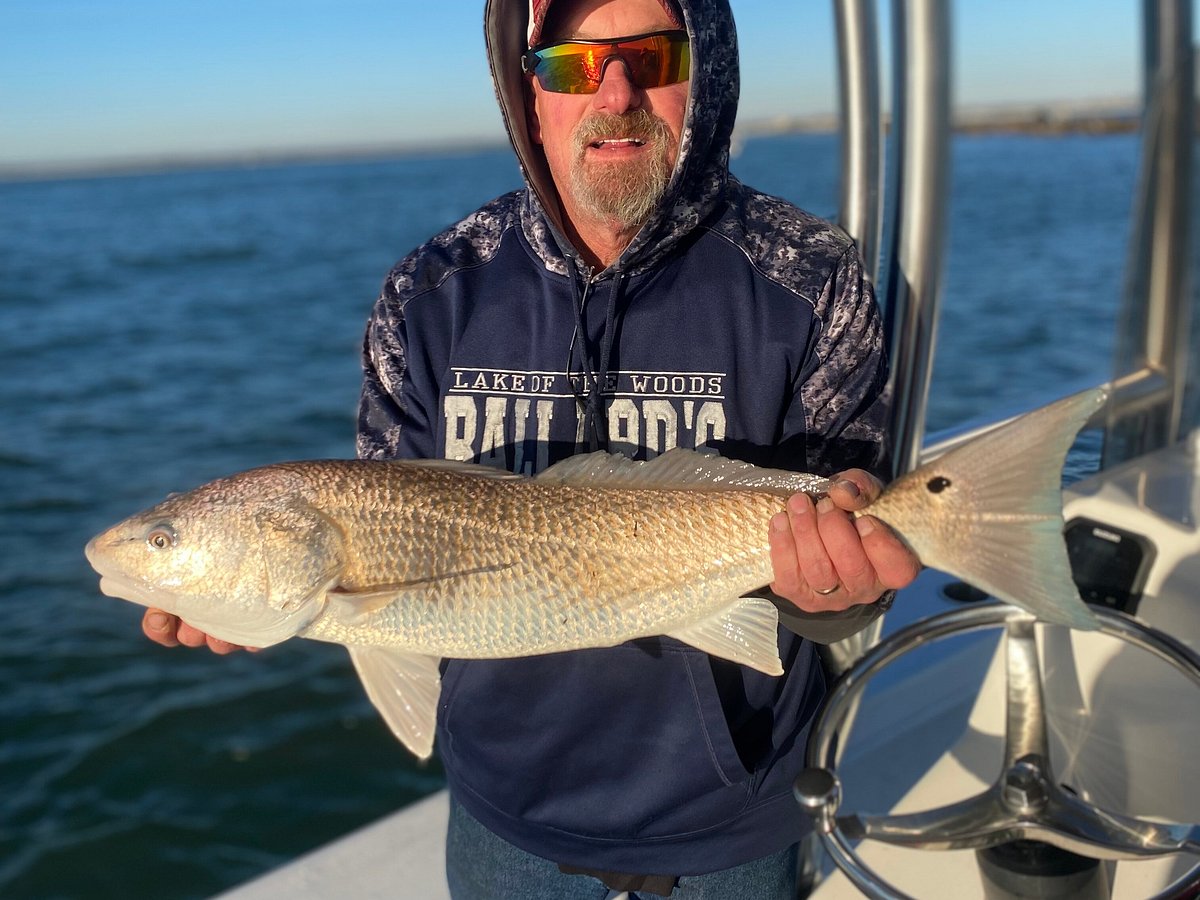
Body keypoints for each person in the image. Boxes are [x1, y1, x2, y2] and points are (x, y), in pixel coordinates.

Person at [143, 0, 921, 895]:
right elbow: (376, 523)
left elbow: (845, 557)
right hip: (501, 817)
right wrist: (245, 604)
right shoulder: (430, 292)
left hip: (734, 816)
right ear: (527, 89)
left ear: (704, 70)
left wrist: (838, 590)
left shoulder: (811, 274)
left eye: (653, 56)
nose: (617, 90)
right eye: (572, 65)